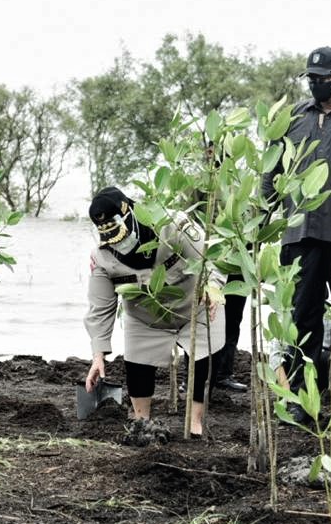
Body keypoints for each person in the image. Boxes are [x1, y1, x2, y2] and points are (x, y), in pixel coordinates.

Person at [84, 187, 225, 438]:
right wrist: (98, 355)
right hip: (145, 318)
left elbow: (208, 258)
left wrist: (214, 287)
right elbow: (100, 308)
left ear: (129, 214)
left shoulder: (172, 225)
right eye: (110, 236)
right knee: (137, 365)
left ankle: (195, 424)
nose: (118, 240)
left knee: (203, 360)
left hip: (194, 308)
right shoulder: (102, 256)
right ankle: (141, 424)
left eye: (119, 231)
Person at [262, 46, 331, 424]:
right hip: (299, 234)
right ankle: (302, 401)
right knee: (303, 318)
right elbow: (271, 173)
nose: (316, 84)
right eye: (311, 79)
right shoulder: (293, 118)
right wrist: (262, 217)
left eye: (323, 79)